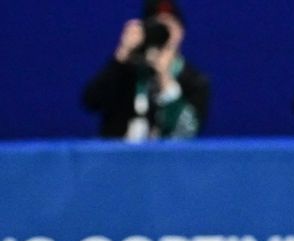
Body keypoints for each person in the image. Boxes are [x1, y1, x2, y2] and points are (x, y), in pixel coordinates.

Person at [81, 0, 209, 140]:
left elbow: (187, 132)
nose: (164, 35)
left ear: (181, 32)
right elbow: (91, 101)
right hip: (119, 157)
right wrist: (121, 55)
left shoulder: (193, 80)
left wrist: (164, 77)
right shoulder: (126, 71)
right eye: (157, 27)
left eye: (170, 27)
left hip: (166, 159)